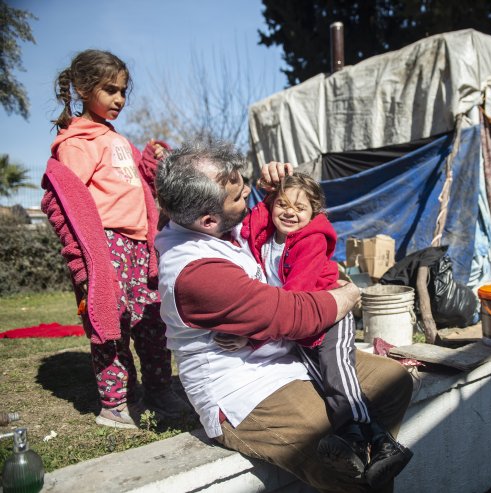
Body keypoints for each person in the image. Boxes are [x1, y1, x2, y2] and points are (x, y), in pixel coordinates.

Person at [154, 142, 414, 492]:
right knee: (335, 452)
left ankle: (369, 453)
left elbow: (267, 228)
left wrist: (270, 190)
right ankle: (356, 470)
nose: (247, 192)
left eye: (244, 184)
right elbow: (296, 315)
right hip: (243, 388)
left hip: (288, 354)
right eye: (237, 195)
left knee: (394, 381)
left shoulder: (209, 223)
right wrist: (350, 294)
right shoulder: (196, 272)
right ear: (208, 219)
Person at [221, 172, 411, 483]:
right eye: (282, 204)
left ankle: (375, 442)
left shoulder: (310, 241)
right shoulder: (268, 235)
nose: (289, 212)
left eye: (300, 208)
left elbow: (295, 297)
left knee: (338, 377)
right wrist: (264, 192)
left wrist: (252, 336)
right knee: (323, 381)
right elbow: (251, 221)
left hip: (329, 318)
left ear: (314, 213)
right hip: (302, 327)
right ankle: (368, 440)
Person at [41, 49, 190, 429]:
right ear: (81, 88)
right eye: (110, 90)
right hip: (107, 247)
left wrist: (150, 162)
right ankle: (114, 402)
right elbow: (73, 202)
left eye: (123, 91)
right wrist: (90, 260)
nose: (120, 99)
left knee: (153, 322)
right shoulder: (76, 142)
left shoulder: (117, 138)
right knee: (112, 325)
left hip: (141, 245)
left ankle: (158, 390)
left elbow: (136, 184)